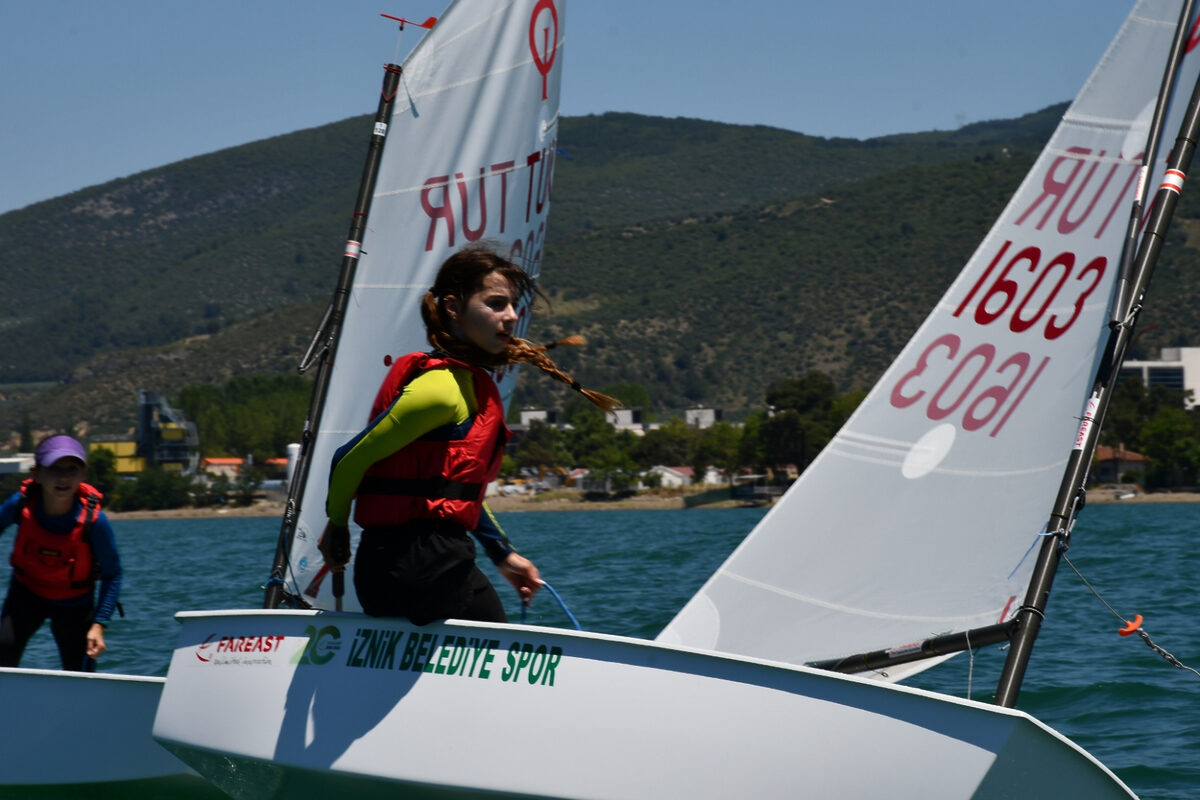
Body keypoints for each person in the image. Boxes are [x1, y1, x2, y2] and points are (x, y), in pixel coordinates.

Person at [320, 246, 617, 624]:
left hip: (401, 563)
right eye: (495, 304)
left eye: (512, 305)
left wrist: (502, 555)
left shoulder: (463, 384)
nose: (510, 317)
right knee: (499, 656)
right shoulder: (441, 388)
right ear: (453, 308)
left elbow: (452, 489)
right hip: (422, 562)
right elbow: (348, 459)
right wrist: (338, 527)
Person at [0, 435, 122, 671]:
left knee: (81, 673)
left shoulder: (95, 522)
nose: (64, 477)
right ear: (37, 473)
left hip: (75, 604)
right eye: (55, 469)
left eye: (72, 469)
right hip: (26, 595)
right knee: (3, 655)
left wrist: (99, 625)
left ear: (83, 474)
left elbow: (113, 574)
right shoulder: (20, 504)